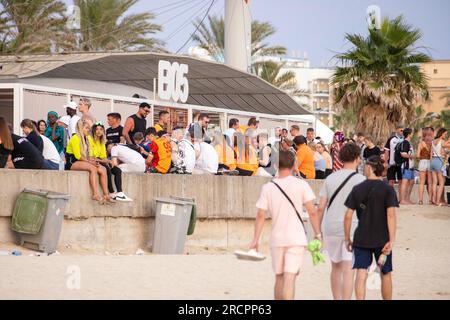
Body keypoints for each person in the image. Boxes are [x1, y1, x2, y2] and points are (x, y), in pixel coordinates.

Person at [250, 150, 322, 300]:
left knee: (279, 277)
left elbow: (261, 215)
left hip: (277, 238)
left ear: (276, 165)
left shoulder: (268, 188)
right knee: (290, 278)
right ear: (294, 165)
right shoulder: (301, 185)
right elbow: (312, 212)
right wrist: (318, 234)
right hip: (296, 238)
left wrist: (255, 240)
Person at [344, 155, 398, 300]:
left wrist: (347, 238)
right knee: (385, 273)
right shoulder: (388, 189)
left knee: (361, 273)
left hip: (362, 237)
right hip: (382, 238)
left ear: (370, 168)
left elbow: (348, 215)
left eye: (365, 166)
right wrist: (391, 240)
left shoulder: (358, 188)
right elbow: (391, 215)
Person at [317, 143, 366, 300]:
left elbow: (321, 207)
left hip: (330, 227)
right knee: (348, 269)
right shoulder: (362, 180)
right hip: (353, 228)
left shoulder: (330, 178)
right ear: (357, 158)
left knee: (335, 268)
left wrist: (317, 232)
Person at [66, 119, 112, 203]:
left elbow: (87, 155)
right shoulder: (75, 138)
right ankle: (95, 194)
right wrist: (90, 162)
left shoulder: (85, 139)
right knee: (93, 168)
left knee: (103, 169)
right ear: (81, 128)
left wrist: (93, 161)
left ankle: (106, 194)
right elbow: (78, 156)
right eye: (86, 128)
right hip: (72, 162)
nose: (89, 130)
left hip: (82, 161)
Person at [91, 123, 132, 202]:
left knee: (117, 170)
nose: (99, 131)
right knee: (107, 168)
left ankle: (120, 193)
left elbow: (103, 157)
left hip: (100, 160)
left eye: (101, 129)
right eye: (97, 129)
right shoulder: (90, 139)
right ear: (93, 130)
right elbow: (92, 157)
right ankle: (111, 192)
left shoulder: (102, 142)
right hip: (92, 160)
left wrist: (109, 161)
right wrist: (104, 161)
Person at [430, 128, 450, 206]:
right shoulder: (442, 141)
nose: (446, 135)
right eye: (445, 134)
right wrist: (448, 140)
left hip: (432, 162)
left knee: (435, 182)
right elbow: (445, 147)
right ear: (442, 134)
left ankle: (434, 200)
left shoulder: (433, 141)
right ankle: (438, 201)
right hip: (439, 161)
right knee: (442, 183)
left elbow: (431, 153)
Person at [396, 128, 415, 205]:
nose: (413, 134)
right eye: (412, 133)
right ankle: (402, 199)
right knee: (405, 182)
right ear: (409, 134)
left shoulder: (409, 143)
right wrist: (413, 156)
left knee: (411, 181)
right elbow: (403, 154)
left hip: (411, 166)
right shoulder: (405, 143)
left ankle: (407, 198)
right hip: (405, 165)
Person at [417, 127, 433, 205]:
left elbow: (417, 155)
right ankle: (430, 200)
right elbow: (432, 155)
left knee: (422, 183)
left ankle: (420, 200)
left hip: (422, 162)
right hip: (429, 162)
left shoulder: (421, 143)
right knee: (430, 182)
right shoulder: (431, 143)